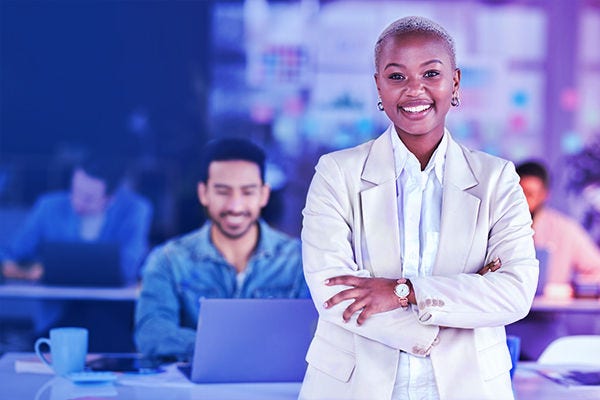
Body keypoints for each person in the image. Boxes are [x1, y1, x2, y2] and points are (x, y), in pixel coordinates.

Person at [300, 16, 538, 400]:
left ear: (455, 82)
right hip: (354, 385)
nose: (415, 90)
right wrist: (462, 304)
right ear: (378, 84)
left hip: (469, 386)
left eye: (431, 73)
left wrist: (403, 292)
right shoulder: (336, 173)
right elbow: (334, 295)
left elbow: (514, 293)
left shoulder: (497, 179)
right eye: (397, 77)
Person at [134, 138, 309, 361]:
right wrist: (232, 349)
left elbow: (313, 334)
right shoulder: (168, 259)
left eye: (247, 192)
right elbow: (152, 334)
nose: (235, 206)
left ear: (264, 195)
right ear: (203, 193)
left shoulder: (298, 260)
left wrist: (221, 349)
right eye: (223, 191)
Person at [1, 155, 153, 285]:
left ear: (111, 198)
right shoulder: (49, 206)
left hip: (112, 311)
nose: (78, 202)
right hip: (57, 312)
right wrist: (26, 271)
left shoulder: (134, 209)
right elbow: (12, 254)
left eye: (88, 198)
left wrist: (55, 269)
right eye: (75, 191)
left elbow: (128, 268)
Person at [516, 160, 600, 297]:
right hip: (505, 312)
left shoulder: (564, 229)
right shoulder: (494, 225)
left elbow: (597, 269)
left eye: (530, 194)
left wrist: (569, 289)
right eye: (518, 194)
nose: (523, 201)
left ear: (544, 195)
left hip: (549, 313)